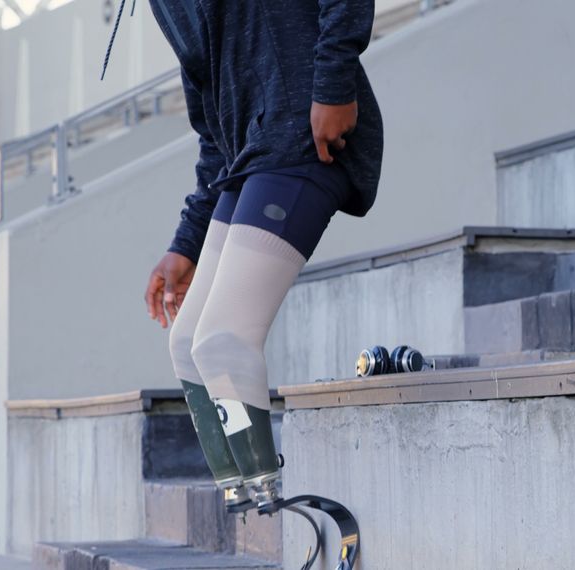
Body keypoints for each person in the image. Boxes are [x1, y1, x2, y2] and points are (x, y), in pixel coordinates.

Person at [102, 0, 383, 509]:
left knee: (223, 342)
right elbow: (214, 132)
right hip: (251, 155)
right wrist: (184, 244)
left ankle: (279, 506)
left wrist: (334, 87)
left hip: (306, 133)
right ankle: (253, 504)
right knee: (188, 343)